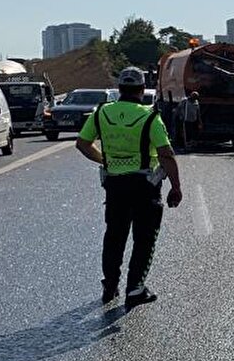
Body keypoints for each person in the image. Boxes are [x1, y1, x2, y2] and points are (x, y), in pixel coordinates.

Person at [75, 67, 182, 308]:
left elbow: (82, 143)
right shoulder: (149, 117)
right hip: (144, 187)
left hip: (114, 185)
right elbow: (166, 154)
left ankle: (110, 284)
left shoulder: (102, 112)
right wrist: (176, 187)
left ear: (120, 89)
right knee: (144, 239)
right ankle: (135, 289)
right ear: (142, 90)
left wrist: (105, 159)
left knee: (114, 236)